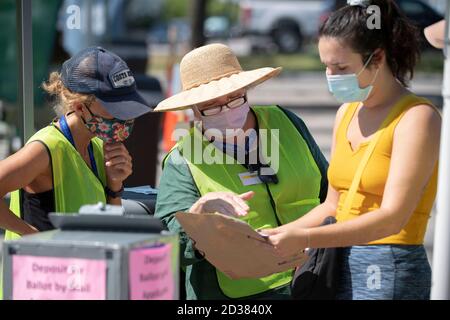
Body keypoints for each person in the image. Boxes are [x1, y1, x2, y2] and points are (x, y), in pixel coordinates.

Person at [261, 0, 441, 300]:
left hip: (389, 266)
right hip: (337, 257)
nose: (331, 76)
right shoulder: (347, 112)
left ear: (378, 57)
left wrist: (303, 237)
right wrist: (274, 236)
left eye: (341, 67)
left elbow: (392, 218)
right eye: (326, 66)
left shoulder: (417, 117)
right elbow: (333, 205)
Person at [154, 43, 329, 300]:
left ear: (246, 90)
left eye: (235, 98)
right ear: (193, 110)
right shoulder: (182, 158)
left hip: (316, 275)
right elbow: (168, 242)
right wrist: (198, 215)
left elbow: (332, 191)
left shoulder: (288, 122)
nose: (226, 110)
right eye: (211, 106)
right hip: (240, 296)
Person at [0, 46, 152, 240]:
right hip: (40, 268)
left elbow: (110, 231)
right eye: (115, 109)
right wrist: (35, 237)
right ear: (80, 107)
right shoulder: (46, 148)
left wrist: (114, 186)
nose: (124, 118)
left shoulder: (97, 145)